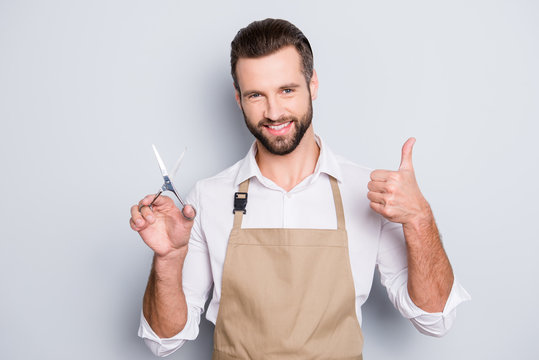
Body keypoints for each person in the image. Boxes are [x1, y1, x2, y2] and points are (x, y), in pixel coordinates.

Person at [130, 18, 470, 359]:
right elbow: (164, 341)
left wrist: (419, 219)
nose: (274, 111)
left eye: (287, 90)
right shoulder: (209, 197)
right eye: (256, 95)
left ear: (314, 84)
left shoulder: (368, 191)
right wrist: (169, 259)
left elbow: (435, 319)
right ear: (238, 99)